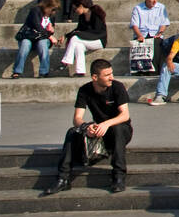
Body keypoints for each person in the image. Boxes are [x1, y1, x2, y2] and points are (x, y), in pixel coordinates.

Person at [44, 58, 133, 196]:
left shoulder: (117, 87)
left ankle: (119, 176)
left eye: (112, 73)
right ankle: (63, 179)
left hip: (119, 129)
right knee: (73, 132)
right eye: (107, 75)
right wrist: (86, 127)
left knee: (118, 128)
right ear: (95, 77)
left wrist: (106, 124)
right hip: (99, 131)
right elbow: (77, 119)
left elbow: (125, 115)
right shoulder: (84, 90)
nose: (112, 77)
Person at [12, 0, 59, 79]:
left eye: (55, 10)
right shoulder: (36, 11)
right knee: (25, 44)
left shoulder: (51, 15)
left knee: (43, 44)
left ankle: (44, 72)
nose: (53, 12)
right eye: (53, 9)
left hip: (42, 38)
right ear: (47, 6)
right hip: (29, 36)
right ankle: (17, 71)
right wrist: (50, 36)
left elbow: (50, 29)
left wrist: (51, 30)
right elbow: (37, 26)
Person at [60, 0, 106, 77]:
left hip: (98, 40)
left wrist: (77, 34)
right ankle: (80, 71)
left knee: (74, 38)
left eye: (75, 9)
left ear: (81, 6)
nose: (75, 11)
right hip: (88, 40)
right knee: (78, 46)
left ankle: (66, 61)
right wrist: (66, 35)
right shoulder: (82, 16)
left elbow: (97, 31)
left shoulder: (96, 13)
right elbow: (79, 29)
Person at [130, 0, 171, 71]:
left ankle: (155, 70)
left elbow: (164, 23)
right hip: (141, 34)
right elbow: (134, 25)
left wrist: (160, 32)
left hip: (155, 34)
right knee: (141, 44)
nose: (155, 1)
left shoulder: (161, 7)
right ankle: (140, 70)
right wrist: (139, 36)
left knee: (156, 44)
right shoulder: (138, 8)